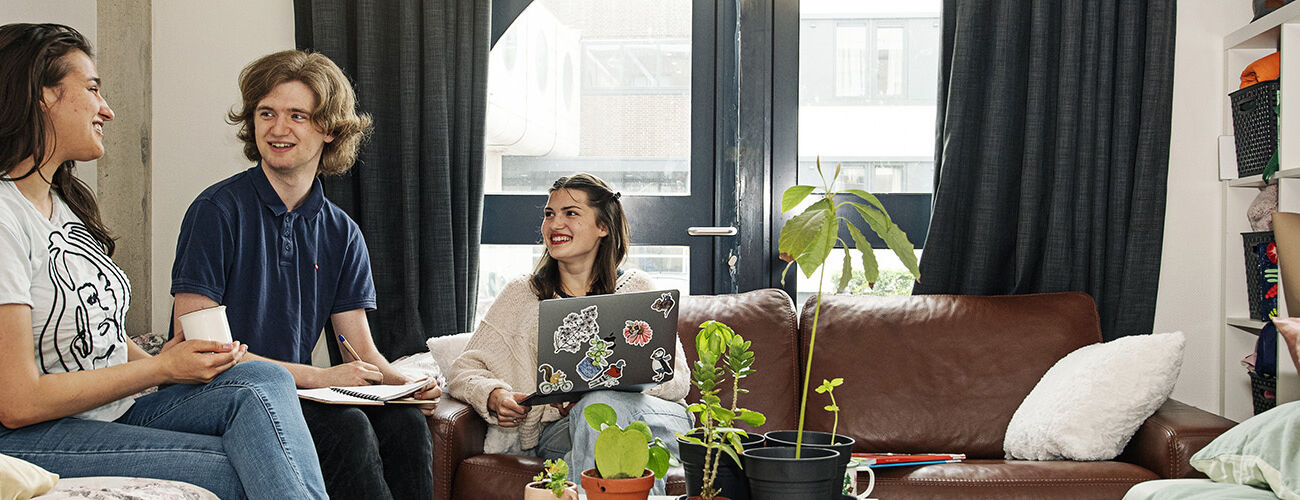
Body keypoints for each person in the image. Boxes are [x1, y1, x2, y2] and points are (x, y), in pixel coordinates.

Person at [0, 23, 327, 499]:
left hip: (112, 408)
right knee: (243, 468)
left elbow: (100, 340)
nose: (106, 109)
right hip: (32, 434)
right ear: (41, 96)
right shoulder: (6, 218)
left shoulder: (62, 206)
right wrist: (160, 370)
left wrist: (171, 360)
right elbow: (16, 401)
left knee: (264, 378)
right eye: (92, 89)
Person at [169, 49, 437, 500]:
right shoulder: (216, 211)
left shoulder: (342, 232)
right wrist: (322, 377)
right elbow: (203, 354)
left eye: (298, 115)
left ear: (329, 128)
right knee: (344, 427)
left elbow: (359, 348)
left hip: (292, 393)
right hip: (217, 394)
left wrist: (406, 386)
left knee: (405, 423)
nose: (278, 128)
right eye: (266, 113)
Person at [448, 173, 692, 494]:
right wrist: (495, 395)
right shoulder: (523, 294)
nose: (554, 224)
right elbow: (463, 370)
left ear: (603, 227)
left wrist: (606, 388)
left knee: (600, 404)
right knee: (599, 419)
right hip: (563, 431)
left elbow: (677, 378)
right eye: (549, 214)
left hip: (650, 418)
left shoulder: (637, 289)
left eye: (571, 213)